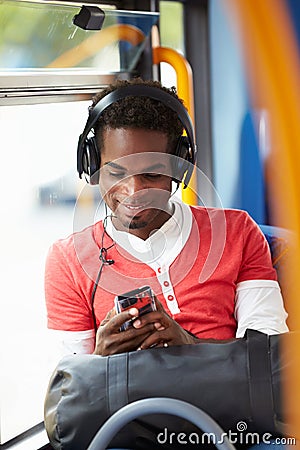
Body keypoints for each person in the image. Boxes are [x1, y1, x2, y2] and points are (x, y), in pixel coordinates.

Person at [44, 78, 288, 357]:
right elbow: (71, 388)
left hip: (225, 401)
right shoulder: (67, 260)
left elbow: (270, 357)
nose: (134, 191)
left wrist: (190, 345)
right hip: (132, 402)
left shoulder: (237, 232)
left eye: (152, 174)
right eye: (116, 173)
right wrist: (99, 359)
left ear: (179, 169)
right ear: (92, 165)